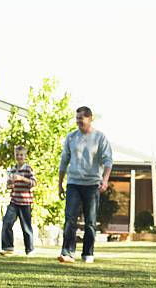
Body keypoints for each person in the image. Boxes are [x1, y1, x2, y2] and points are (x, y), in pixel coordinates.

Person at [57, 106, 113, 264]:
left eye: (81, 118)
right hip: (73, 183)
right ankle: (67, 252)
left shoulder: (100, 138)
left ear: (90, 118)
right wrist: (60, 184)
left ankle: (88, 253)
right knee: (70, 219)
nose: (78, 121)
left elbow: (108, 161)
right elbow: (64, 162)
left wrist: (105, 179)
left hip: (92, 184)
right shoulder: (71, 137)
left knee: (90, 221)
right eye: (77, 119)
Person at [0, 145, 36, 256]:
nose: (19, 157)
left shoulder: (28, 169)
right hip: (14, 201)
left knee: (26, 227)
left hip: (25, 202)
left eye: (21, 155)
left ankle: (30, 250)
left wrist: (21, 178)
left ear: (25, 156)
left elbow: (34, 183)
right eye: (17, 155)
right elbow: (9, 186)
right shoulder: (12, 169)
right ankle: (8, 247)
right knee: (7, 222)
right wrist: (10, 183)